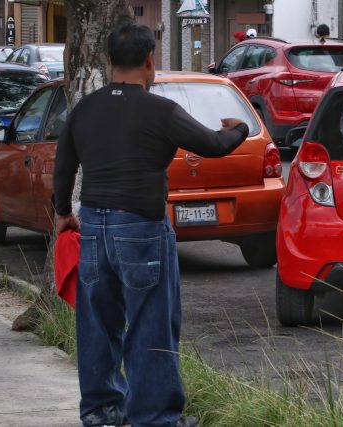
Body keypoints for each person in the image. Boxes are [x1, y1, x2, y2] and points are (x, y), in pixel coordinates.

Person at [53, 22, 249, 427]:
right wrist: (241, 128)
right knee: (150, 324)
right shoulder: (160, 111)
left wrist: (61, 214)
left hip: (92, 226)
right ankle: (155, 418)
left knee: (97, 324)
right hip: (140, 227)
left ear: (108, 61)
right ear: (149, 61)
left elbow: (64, 165)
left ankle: (101, 411)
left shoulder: (84, 109)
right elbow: (214, 145)